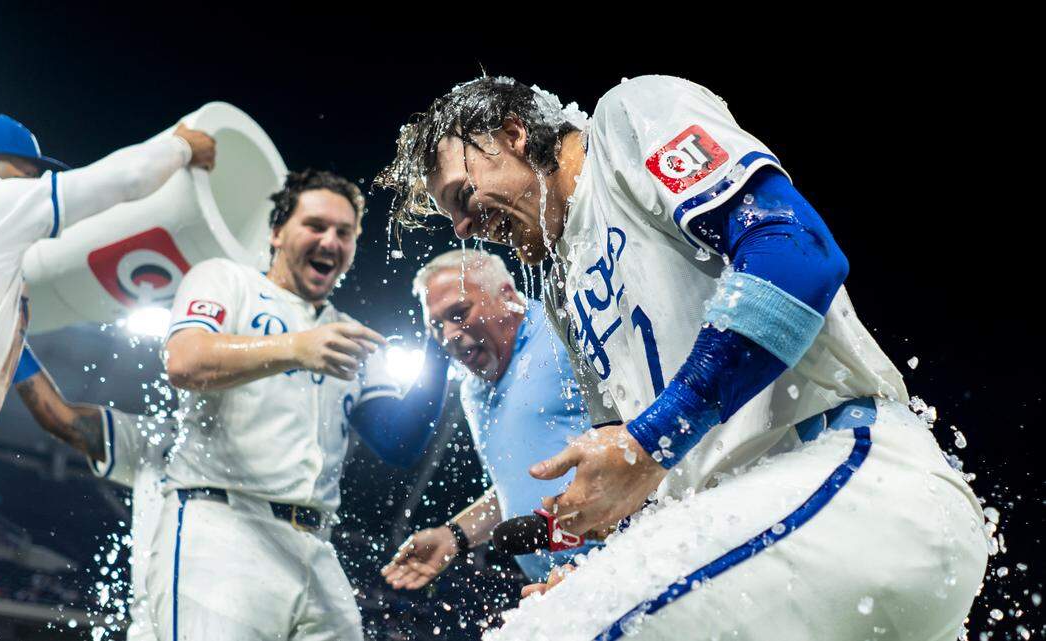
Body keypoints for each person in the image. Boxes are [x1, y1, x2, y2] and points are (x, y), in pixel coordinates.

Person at [377, 75, 988, 640]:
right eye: (447, 213)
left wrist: (653, 441)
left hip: (849, 481)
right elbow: (642, 475)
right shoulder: (560, 287)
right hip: (754, 529)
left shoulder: (627, 121)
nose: (459, 227)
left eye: (462, 193)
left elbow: (795, 253)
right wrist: (609, 575)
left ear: (513, 134)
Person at [0, 113, 215, 641]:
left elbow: (42, 401)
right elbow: (124, 179)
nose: (32, 186)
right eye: (26, 172)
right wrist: (182, 146)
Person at [149, 168, 449, 641]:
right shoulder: (227, 279)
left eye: (344, 233)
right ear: (275, 232)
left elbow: (398, 444)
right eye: (316, 226)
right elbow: (184, 361)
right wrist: (294, 348)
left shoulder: (345, 331)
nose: (330, 240)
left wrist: (439, 350)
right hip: (223, 526)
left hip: (314, 545)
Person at [382, 248, 594, 589]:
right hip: (554, 588)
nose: (448, 334)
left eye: (459, 313)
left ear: (506, 295)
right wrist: (453, 535)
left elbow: (637, 435)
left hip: (625, 559)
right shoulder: (472, 389)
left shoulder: (564, 331)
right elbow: (524, 483)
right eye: (436, 326)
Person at [12, 343, 170, 641]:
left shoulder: (268, 454)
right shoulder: (159, 438)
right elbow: (60, 418)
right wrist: (14, 343)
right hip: (159, 627)